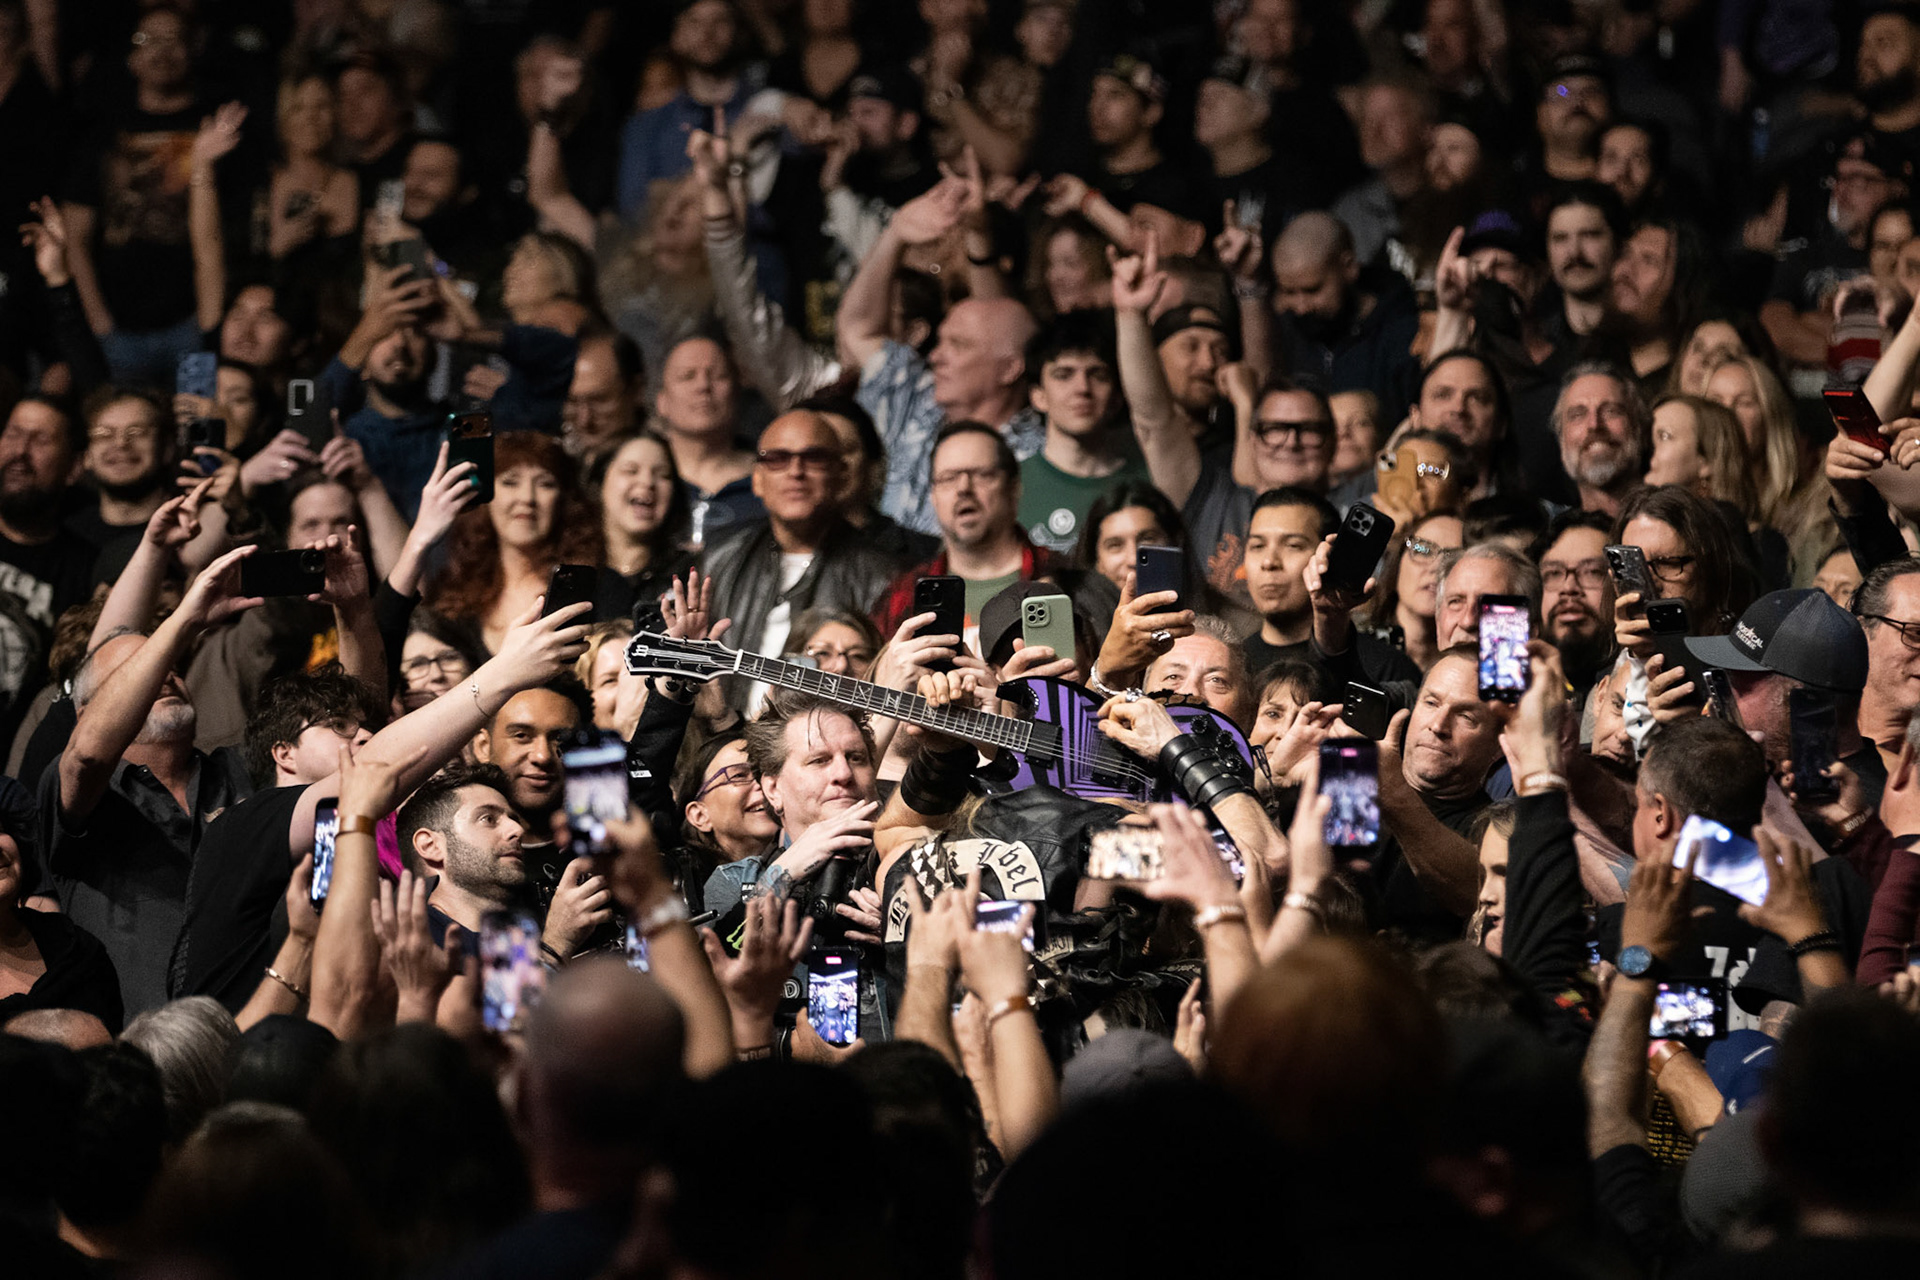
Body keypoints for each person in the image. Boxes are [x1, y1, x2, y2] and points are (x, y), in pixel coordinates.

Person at [838, 177, 1043, 537]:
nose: (936, 356)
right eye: (942, 341)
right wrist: (895, 234)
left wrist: (979, 240)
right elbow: (858, 327)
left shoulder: (1039, 456)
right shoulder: (917, 398)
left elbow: (999, 321)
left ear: (1011, 368)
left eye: (958, 346)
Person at [701, 411, 903, 710]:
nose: (796, 471)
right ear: (757, 479)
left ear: (840, 475)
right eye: (778, 458)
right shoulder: (721, 558)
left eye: (814, 458)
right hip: (722, 741)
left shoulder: (883, 576)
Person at [874, 422, 1055, 641]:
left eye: (982, 474)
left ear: (1013, 488)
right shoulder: (902, 595)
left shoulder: (1066, 579)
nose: (963, 489)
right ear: (933, 497)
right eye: (948, 478)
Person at [427, 432, 603, 654]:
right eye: (510, 482)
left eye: (545, 484)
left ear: (564, 501)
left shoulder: (596, 589)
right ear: (486, 498)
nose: (527, 498)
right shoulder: (452, 595)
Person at [1014, 312, 1145, 556]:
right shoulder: (1010, 486)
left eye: (1098, 375)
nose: (1082, 388)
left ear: (1117, 398)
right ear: (1037, 396)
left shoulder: (1145, 483)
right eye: (1064, 375)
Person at [648, 336, 759, 549]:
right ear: (661, 401)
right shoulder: (641, 479)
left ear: (737, 392)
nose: (703, 386)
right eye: (687, 376)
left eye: (718, 375)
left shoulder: (771, 476)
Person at [593, 431, 695, 625]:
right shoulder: (572, 568)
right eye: (631, 471)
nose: (647, 482)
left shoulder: (688, 575)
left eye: (663, 475)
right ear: (599, 482)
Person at [1550, 362, 1647, 516]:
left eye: (1611, 411)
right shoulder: (1552, 536)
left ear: (1637, 427)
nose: (1594, 425)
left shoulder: (1682, 525)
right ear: (1561, 439)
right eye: (1578, 415)